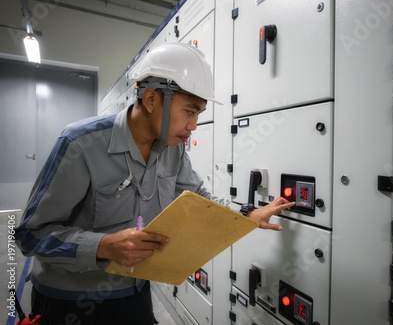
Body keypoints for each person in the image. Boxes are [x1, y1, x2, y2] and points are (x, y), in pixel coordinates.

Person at [14, 43, 294, 324]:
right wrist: (105, 246)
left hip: (134, 290)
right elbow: (30, 234)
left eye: (198, 114)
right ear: (151, 100)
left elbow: (198, 197)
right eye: (189, 111)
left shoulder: (172, 149)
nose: (194, 125)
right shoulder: (80, 144)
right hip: (69, 300)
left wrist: (245, 214)